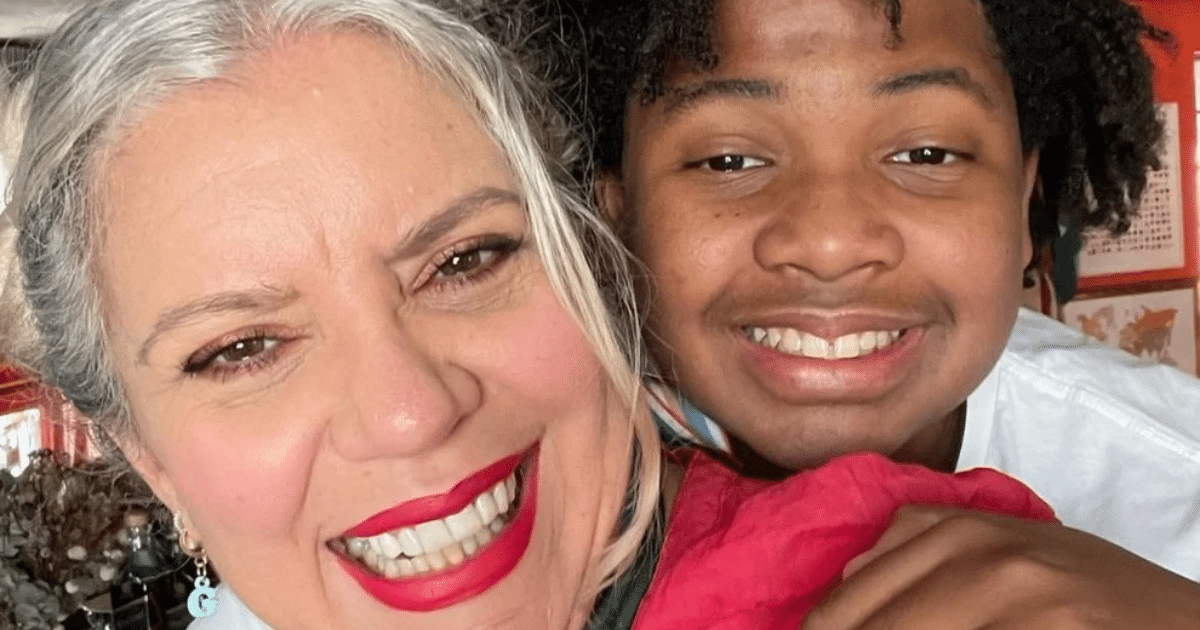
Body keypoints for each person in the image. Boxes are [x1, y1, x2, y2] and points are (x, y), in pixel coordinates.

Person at [0, 0, 1081, 628]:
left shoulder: (882, 585)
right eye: (240, 349)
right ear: (148, 457)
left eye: (465, 261)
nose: (409, 412)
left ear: (594, 260)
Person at [579, 0, 1200, 626]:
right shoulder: (546, 470)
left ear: (1021, 201)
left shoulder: (1178, 497)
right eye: (728, 161)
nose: (830, 246)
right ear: (617, 213)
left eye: (926, 155)